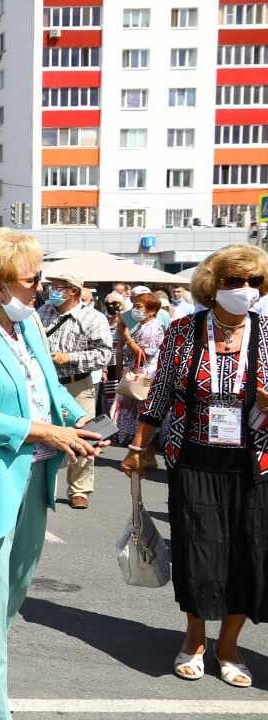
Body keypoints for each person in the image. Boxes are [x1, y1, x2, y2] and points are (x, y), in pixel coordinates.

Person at [0, 228, 105, 719]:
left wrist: (81, 420)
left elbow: (51, 389)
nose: (42, 287)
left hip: (35, 477)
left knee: (15, 589)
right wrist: (49, 432)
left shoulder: (28, 328)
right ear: (0, 285)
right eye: (33, 279)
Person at [122, 244, 268, 689]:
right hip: (193, 459)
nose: (245, 289)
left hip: (254, 462)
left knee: (249, 553)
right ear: (213, 285)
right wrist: (138, 446)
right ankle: (195, 639)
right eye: (234, 281)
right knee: (198, 552)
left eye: (254, 281)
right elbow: (161, 391)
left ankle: (230, 646)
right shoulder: (185, 329)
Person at [38, 271, 113, 509]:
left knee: (85, 434)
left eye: (58, 287)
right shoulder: (42, 312)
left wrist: (69, 358)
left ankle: (79, 489)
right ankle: (43, 485)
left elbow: (104, 354)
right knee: (46, 433)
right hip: (46, 383)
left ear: (73, 291)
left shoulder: (93, 318)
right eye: (51, 286)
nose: (52, 291)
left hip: (78, 383)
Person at [113, 291, 167, 451]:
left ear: (151, 311)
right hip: (137, 371)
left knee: (142, 409)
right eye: (134, 307)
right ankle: (137, 444)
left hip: (145, 374)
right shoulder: (142, 325)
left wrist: (127, 337)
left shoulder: (153, 327)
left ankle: (142, 445)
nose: (135, 310)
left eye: (139, 307)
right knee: (134, 408)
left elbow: (144, 354)